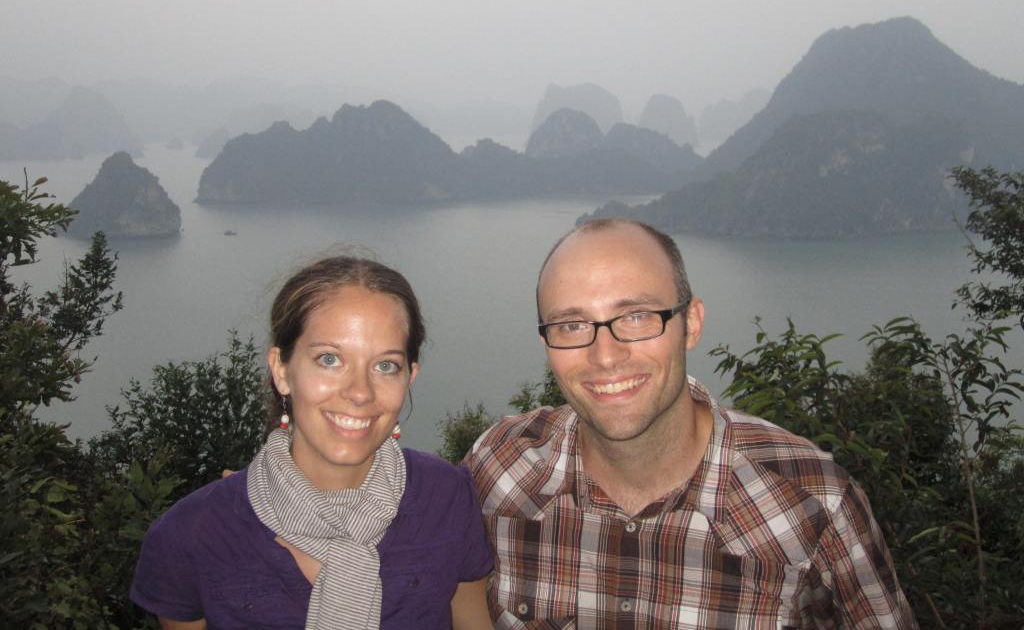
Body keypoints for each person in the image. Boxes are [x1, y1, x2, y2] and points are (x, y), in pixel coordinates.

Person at [464, 218, 918, 629]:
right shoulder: (499, 472)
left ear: (691, 324)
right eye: (572, 325)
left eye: (637, 317)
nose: (605, 356)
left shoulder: (813, 504)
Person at [132, 256, 494, 630]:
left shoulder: (446, 497)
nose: (360, 392)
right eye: (329, 359)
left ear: (409, 377)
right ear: (281, 370)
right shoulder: (191, 536)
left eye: (385, 366)